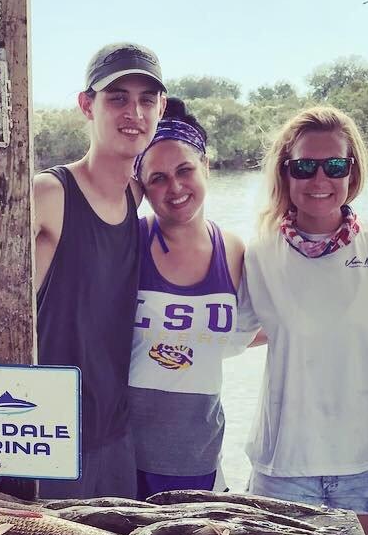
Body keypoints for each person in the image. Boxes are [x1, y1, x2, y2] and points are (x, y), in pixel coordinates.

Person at [242, 105, 368, 535]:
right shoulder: (258, 255)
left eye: (335, 165)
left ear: (352, 172)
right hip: (284, 466)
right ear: (285, 173)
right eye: (303, 167)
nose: (319, 180)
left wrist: (365, 357)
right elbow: (233, 335)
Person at [34, 42, 167, 499]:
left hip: (115, 437)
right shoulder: (48, 195)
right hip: (49, 438)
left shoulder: (138, 196)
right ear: (87, 105)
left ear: (160, 108)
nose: (133, 112)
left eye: (146, 100)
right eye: (117, 98)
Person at [128, 110, 251, 499]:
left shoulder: (233, 249)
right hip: (126, 456)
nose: (175, 187)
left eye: (185, 170)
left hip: (200, 454)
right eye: (157, 178)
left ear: (206, 167)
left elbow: (247, 331)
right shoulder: (127, 243)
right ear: (141, 188)